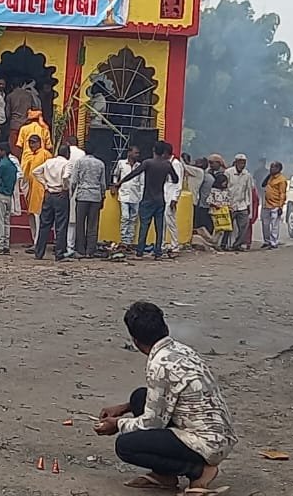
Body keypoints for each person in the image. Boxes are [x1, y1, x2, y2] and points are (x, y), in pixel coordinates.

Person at [95, 301, 236, 493]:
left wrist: (118, 424)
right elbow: (162, 399)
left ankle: (198, 470)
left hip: (206, 443)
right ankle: (164, 475)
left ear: (135, 341)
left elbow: (152, 424)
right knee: (139, 397)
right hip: (218, 433)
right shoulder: (180, 349)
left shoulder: (159, 365)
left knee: (125, 446)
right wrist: (125, 407)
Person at [118, 142, 181, 260]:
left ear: (153, 150)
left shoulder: (148, 163)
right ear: (163, 152)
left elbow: (133, 174)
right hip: (160, 199)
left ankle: (140, 252)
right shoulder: (167, 164)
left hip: (147, 199)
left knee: (144, 226)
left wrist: (120, 182)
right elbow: (176, 179)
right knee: (159, 227)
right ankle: (158, 252)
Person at [32, 144, 72, 261]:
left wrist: (45, 185)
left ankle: (39, 252)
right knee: (61, 225)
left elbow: (36, 172)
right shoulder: (67, 163)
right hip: (60, 194)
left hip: (49, 194)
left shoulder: (49, 162)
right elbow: (66, 177)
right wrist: (65, 188)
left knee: (44, 224)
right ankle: (59, 253)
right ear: (67, 153)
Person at [70, 150, 107, 258]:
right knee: (93, 225)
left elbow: (74, 181)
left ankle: (80, 250)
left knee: (80, 224)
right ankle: (90, 250)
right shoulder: (100, 163)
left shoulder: (80, 162)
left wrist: (72, 194)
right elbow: (103, 184)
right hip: (95, 197)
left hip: (82, 195)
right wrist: (102, 197)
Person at [19, 134, 52, 253]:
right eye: (30, 143)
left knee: (38, 216)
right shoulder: (30, 155)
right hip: (32, 189)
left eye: (33, 143)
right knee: (32, 215)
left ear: (39, 142)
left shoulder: (45, 154)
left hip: (41, 189)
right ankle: (34, 240)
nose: (31, 145)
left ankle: (38, 241)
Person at [0, 141, 17, 254]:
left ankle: (0, 244)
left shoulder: (2, 164)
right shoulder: (12, 165)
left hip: (1, 193)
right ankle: (6, 243)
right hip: (9, 195)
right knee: (6, 221)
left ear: (3, 152)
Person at [113, 146, 143, 249]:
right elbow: (116, 175)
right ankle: (123, 240)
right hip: (124, 195)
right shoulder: (121, 163)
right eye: (136, 153)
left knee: (133, 219)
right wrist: (115, 185)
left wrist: (141, 196)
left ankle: (129, 241)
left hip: (136, 196)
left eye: (138, 153)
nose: (137, 155)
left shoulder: (140, 166)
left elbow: (142, 183)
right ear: (129, 153)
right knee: (125, 217)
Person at [225, 154, 253, 252]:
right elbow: (225, 188)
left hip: (242, 205)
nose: (242, 165)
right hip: (230, 204)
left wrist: (249, 204)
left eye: (244, 162)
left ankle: (237, 244)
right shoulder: (228, 172)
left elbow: (248, 190)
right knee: (228, 227)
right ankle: (225, 244)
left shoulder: (247, 175)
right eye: (240, 162)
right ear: (236, 162)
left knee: (244, 227)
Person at [261, 161, 288, 250]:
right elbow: (263, 184)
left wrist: (280, 206)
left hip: (275, 205)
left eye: (274, 167)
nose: (271, 169)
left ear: (279, 169)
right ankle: (266, 241)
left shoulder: (281, 180)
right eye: (271, 167)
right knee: (265, 224)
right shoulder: (270, 177)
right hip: (266, 204)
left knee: (274, 225)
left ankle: (273, 242)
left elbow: (282, 194)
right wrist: (269, 175)